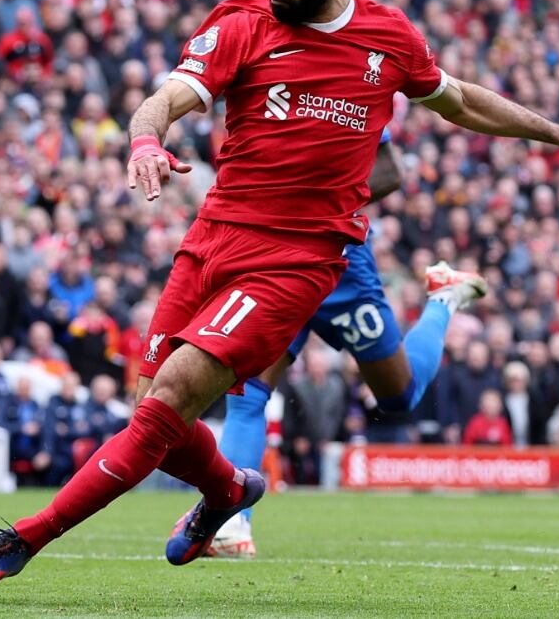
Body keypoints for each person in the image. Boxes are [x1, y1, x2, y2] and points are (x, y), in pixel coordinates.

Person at [0, 0, 559, 585]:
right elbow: (165, 98)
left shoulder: (389, 38)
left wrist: (557, 133)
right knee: (152, 409)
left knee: (258, 397)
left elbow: (458, 101)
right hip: (210, 241)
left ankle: (22, 539)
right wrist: (146, 140)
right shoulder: (242, 21)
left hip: (298, 262)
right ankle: (231, 491)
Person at [204, 130, 485, 558]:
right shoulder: (268, 83)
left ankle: (443, 298)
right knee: (247, 391)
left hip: (340, 262)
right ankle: (229, 524)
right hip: (278, 256)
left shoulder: (352, 82)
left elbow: (388, 172)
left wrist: (317, 206)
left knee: (399, 397)